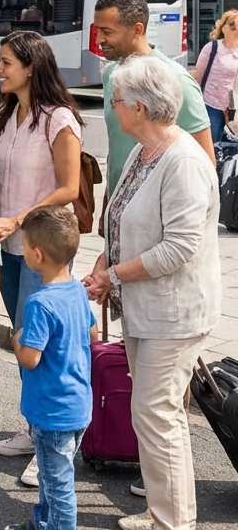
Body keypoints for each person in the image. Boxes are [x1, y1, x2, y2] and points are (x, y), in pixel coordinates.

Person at [82, 53, 220, 530]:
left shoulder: (182, 161)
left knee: (157, 417)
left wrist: (113, 275)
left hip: (174, 313)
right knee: (155, 416)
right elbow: (119, 220)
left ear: (139, 108)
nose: (111, 107)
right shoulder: (144, 151)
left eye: (116, 100)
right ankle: (164, 513)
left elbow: (179, 248)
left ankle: (173, 522)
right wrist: (104, 261)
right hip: (147, 309)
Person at [0, 30, 82, 487]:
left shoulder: (59, 119)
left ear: (30, 67)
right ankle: (38, 429)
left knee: (41, 351)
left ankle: (55, 445)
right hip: (12, 247)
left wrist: (16, 219)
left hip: (43, 250)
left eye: (4, 63)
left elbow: (68, 189)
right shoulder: (11, 113)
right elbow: (3, 177)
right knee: (23, 347)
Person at [6, 206, 96, 530]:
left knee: (58, 488)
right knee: (51, 475)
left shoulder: (40, 302)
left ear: (37, 255)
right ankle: (40, 524)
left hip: (51, 410)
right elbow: (92, 334)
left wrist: (17, 338)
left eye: (26, 245)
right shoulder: (76, 291)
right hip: (77, 404)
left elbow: (30, 358)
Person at [93, 0, 213, 198]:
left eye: (107, 32)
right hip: (119, 208)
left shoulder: (176, 80)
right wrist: (109, 201)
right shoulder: (111, 75)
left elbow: (205, 163)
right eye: (97, 31)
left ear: (137, 30)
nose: (98, 40)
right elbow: (118, 146)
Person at [192, 8, 238, 143]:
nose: (236, 29)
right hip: (211, 105)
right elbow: (197, 77)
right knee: (212, 144)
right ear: (223, 27)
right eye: (232, 25)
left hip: (233, 109)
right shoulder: (211, 48)